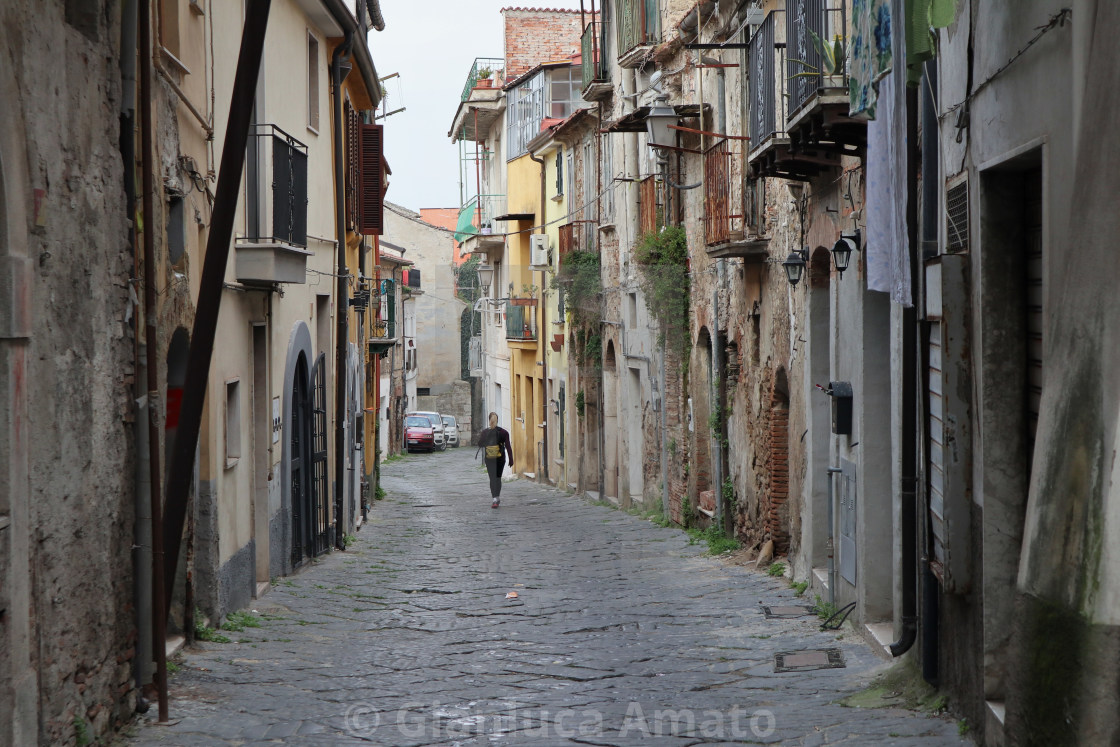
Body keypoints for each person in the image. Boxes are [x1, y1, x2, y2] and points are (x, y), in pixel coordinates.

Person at [476, 412, 513, 508]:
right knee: (497, 478)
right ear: (498, 420)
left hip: (489, 459)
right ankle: (497, 497)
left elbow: (480, 444)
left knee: (492, 479)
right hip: (500, 458)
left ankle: (495, 499)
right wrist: (511, 459)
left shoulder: (485, 432)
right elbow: (508, 446)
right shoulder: (504, 432)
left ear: (489, 420)